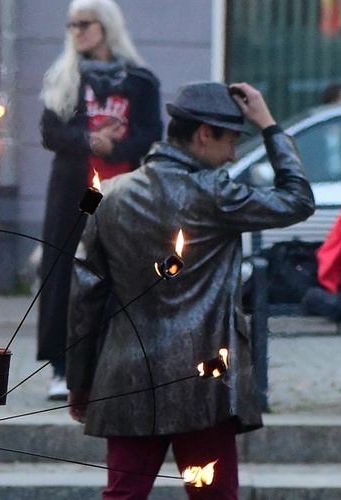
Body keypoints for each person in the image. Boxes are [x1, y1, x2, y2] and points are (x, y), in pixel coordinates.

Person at [66, 81, 315, 498]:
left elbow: (84, 298)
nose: (233, 154)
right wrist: (269, 125)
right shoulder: (215, 194)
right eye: (231, 141)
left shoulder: (108, 195)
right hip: (205, 381)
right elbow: (298, 199)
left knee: (122, 495)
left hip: (128, 376)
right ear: (204, 134)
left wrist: (80, 381)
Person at [37, 0, 163, 400]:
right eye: (71, 25)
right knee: (62, 272)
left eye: (84, 24)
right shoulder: (64, 76)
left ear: (106, 26)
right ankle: (61, 366)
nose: (76, 32)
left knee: (120, 272)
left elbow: (149, 133)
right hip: (72, 193)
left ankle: (118, 360)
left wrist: (116, 144)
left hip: (122, 191)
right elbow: (50, 133)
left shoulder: (139, 79)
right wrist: (89, 140)